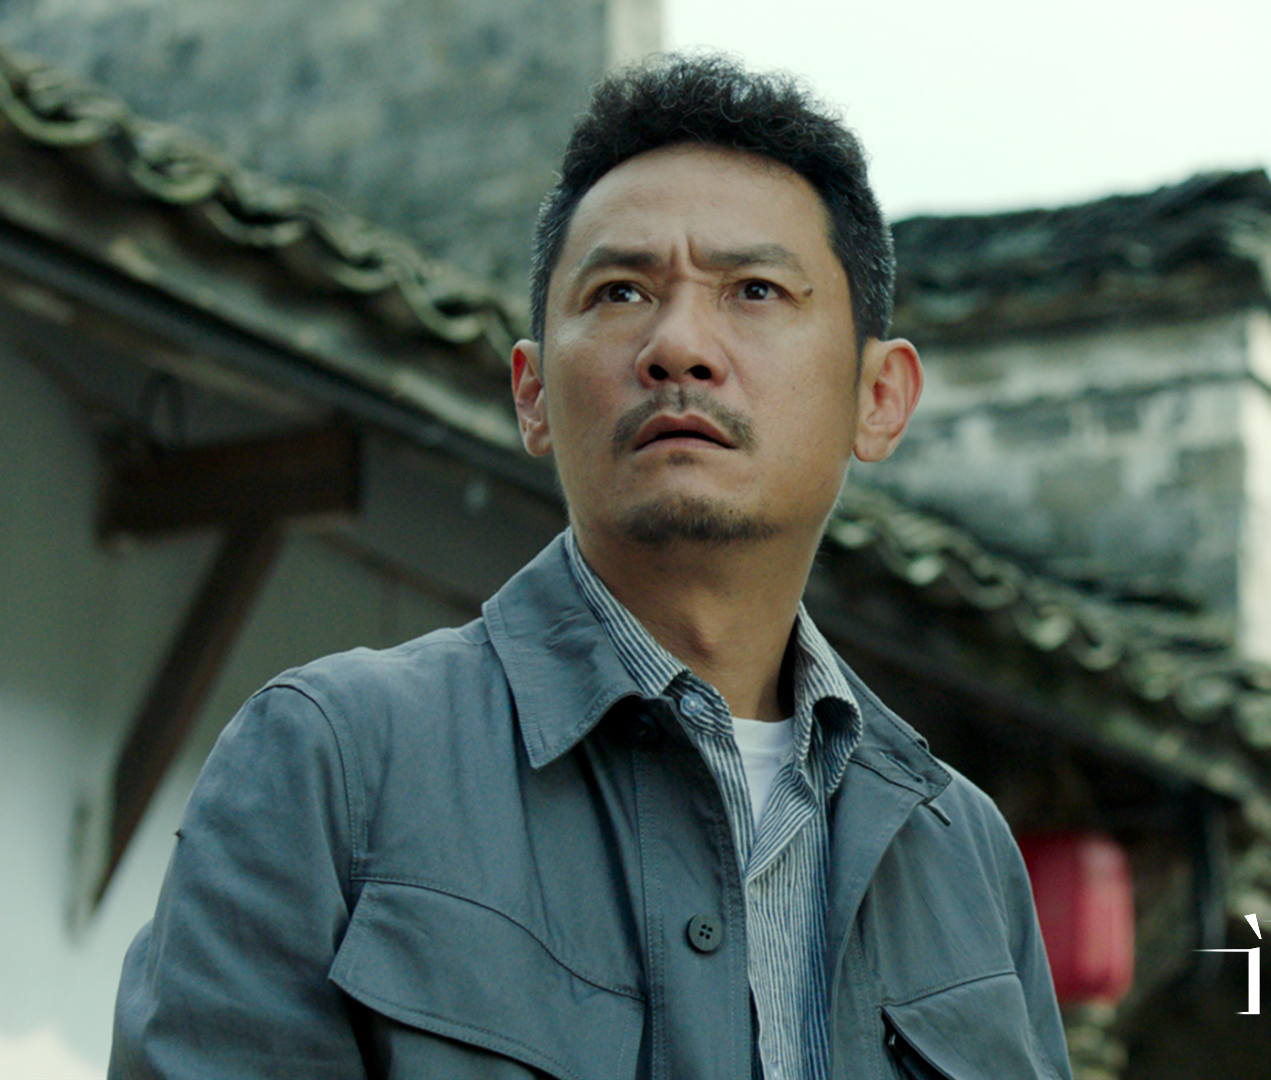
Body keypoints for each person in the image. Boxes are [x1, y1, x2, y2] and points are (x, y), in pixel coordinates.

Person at [111, 53, 1070, 1080]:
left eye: (753, 289)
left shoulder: (961, 853)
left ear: (878, 398)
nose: (679, 346)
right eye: (621, 291)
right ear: (531, 392)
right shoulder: (334, 765)